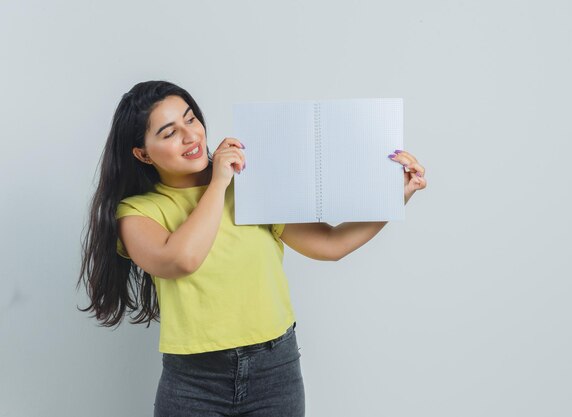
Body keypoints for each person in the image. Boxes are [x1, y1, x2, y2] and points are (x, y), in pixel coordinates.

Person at [77, 80, 427, 417]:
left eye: (191, 119)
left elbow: (330, 244)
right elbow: (182, 259)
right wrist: (218, 183)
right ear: (142, 153)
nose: (191, 136)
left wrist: (395, 197)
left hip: (276, 370)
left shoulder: (253, 186)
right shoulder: (137, 212)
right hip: (194, 381)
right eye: (169, 133)